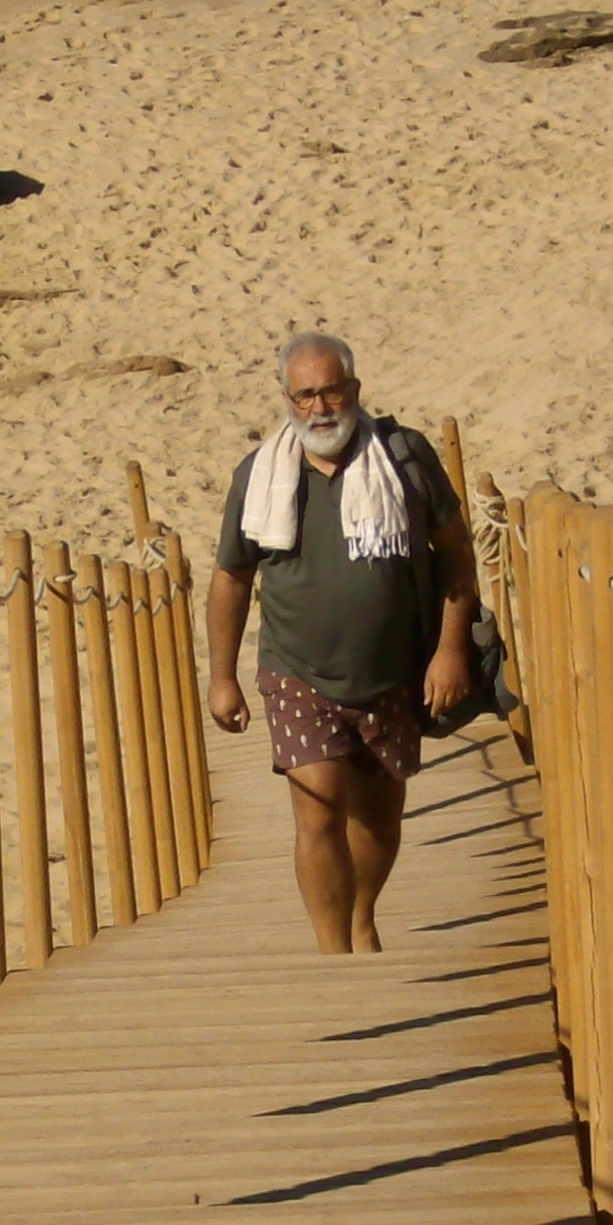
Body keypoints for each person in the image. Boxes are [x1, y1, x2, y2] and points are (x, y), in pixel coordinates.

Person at [206, 331, 478, 953]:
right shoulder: (259, 476)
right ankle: (333, 955)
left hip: (393, 670)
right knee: (320, 807)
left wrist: (450, 651)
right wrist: (222, 677)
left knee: (380, 813)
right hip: (295, 669)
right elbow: (230, 578)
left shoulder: (405, 458)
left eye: (331, 391)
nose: (319, 408)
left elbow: (456, 555)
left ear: (354, 389)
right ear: (286, 399)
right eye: (304, 396)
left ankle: (361, 915)